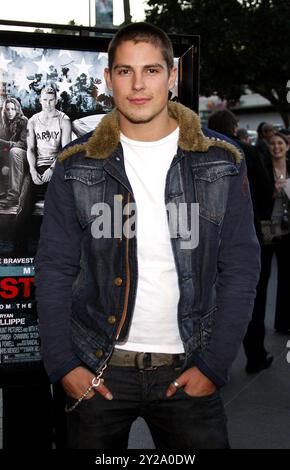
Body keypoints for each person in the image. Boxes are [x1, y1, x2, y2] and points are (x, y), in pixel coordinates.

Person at [35, 22, 260, 450]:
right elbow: (54, 268)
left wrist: (214, 365)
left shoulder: (221, 161)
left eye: (152, 70)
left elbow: (241, 266)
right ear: (108, 80)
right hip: (96, 368)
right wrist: (62, 363)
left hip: (190, 366)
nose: (138, 85)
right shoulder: (76, 165)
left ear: (172, 76)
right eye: (125, 71)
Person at [207, 109, 274, 372]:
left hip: (207, 235)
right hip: (246, 230)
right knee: (250, 295)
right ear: (235, 128)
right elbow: (266, 191)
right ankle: (254, 355)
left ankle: (208, 354)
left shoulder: (199, 150)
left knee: (208, 294)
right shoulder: (246, 151)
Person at [244, 132, 290, 364]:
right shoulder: (262, 165)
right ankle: (259, 330)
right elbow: (260, 196)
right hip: (268, 229)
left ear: (287, 146)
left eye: (280, 143)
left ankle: (283, 321)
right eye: (273, 143)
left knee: (286, 279)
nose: (276, 147)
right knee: (264, 278)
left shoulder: (289, 166)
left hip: (288, 229)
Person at [27, 84, 71, 201]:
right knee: (25, 197)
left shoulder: (64, 120)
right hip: (39, 165)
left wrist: (52, 169)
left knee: (55, 199)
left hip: (58, 165)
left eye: (51, 100)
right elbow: (30, 148)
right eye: (45, 100)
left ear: (56, 101)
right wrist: (32, 170)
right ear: (40, 100)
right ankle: (19, 220)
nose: (48, 104)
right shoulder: (32, 121)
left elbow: (66, 150)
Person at [0, 97, 28, 209]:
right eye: (7, 109)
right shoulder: (3, 122)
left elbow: (22, 144)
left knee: (14, 151)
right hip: (8, 154)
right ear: (4, 110)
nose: (10, 112)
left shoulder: (24, 121)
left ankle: (13, 196)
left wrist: (3, 143)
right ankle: (1, 190)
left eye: (12, 109)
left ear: (17, 110)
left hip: (23, 154)